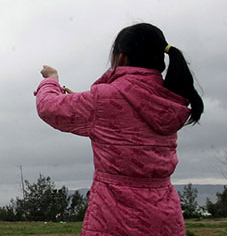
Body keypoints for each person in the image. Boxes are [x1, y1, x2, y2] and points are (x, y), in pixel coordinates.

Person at [35, 23, 204, 235]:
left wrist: (51, 81)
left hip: (114, 216)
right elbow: (126, 120)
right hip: (165, 217)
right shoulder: (168, 97)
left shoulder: (104, 100)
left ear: (121, 58)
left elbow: (48, 108)